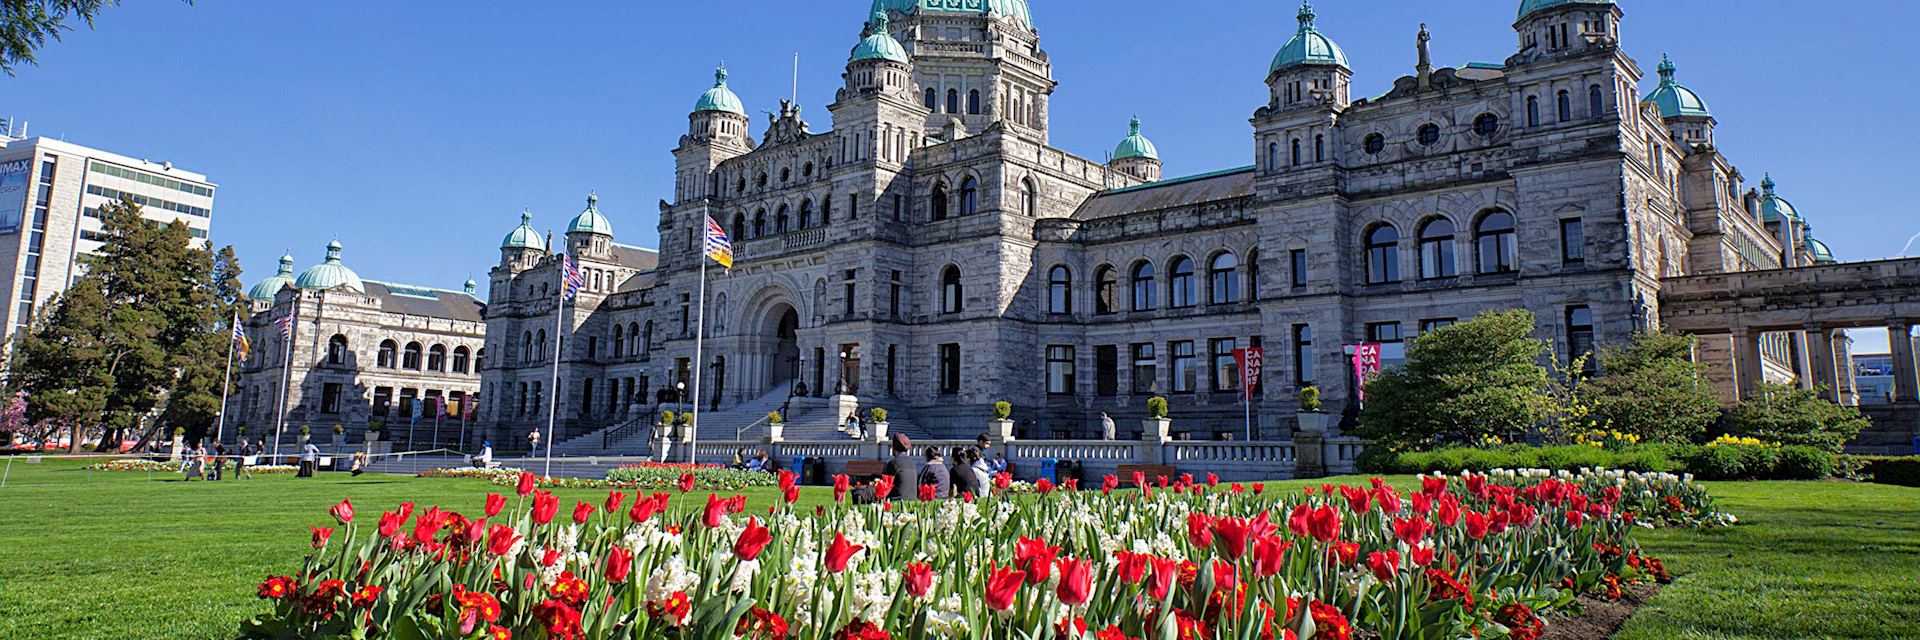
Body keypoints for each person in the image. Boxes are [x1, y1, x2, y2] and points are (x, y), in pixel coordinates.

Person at [882, 433, 920, 501]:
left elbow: (886, 486)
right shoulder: (912, 463)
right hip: (912, 500)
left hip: (897, 500)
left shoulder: (893, 463)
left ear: (894, 448)